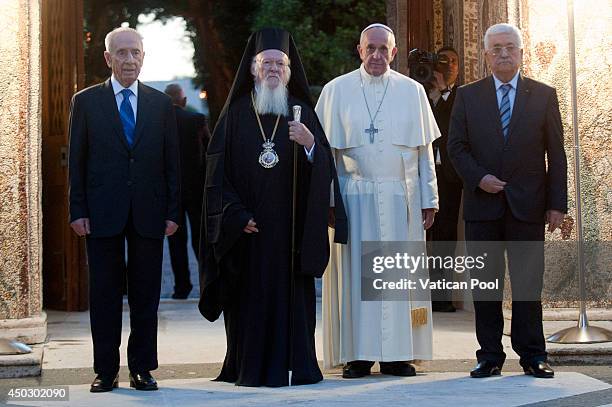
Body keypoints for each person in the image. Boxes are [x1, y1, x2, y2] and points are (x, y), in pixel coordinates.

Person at [198, 27, 347, 387]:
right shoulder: (234, 115)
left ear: (289, 70)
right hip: (248, 234)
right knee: (248, 302)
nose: (274, 69)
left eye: (280, 63)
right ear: (253, 69)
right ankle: (247, 366)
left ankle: (296, 365)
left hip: (289, 235)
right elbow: (216, 176)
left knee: (290, 302)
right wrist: (235, 215)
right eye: (267, 63)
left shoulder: (303, 115)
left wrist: (311, 146)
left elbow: (324, 164)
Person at [316, 23, 440, 379]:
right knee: (356, 277)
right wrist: (328, 202)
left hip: (402, 198)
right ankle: (358, 355)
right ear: (359, 50)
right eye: (370, 48)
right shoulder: (336, 91)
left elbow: (423, 153)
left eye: (384, 49)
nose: (376, 55)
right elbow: (327, 156)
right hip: (354, 199)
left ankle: (398, 355)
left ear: (394, 52)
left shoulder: (412, 91)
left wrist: (429, 199)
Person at [448, 23, 567, 379]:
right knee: (486, 285)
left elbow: (556, 154)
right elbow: (455, 147)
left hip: (529, 206)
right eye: (496, 48)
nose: (503, 53)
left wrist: (557, 204)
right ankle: (489, 355)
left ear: (520, 52)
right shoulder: (467, 96)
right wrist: (479, 178)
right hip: (483, 207)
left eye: (510, 47)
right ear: (485, 55)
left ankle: (533, 355)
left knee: (529, 284)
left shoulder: (544, 95)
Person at [68, 27, 179, 392]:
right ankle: (105, 370)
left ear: (143, 57)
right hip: (101, 212)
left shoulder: (161, 104)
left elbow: (171, 163)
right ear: (107, 58)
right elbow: (77, 161)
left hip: (149, 212)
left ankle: (142, 368)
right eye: (121, 53)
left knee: (146, 295)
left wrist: (173, 211)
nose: (129, 59)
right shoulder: (85, 102)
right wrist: (77, 209)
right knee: (104, 295)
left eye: (135, 53)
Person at [164, 83, 210, 299]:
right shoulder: (196, 120)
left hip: (170, 191)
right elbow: (210, 152)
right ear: (183, 101)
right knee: (201, 240)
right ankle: (207, 284)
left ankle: (181, 287)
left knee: (176, 240)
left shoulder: (159, 123)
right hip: (196, 189)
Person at [426, 46, 463, 312]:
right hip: (424, 173)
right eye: (444, 61)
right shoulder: (421, 93)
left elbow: (449, 126)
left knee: (445, 236)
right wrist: (434, 94)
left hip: (450, 177)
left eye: (453, 61)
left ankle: (441, 297)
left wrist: (443, 94)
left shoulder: (464, 96)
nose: (448, 65)